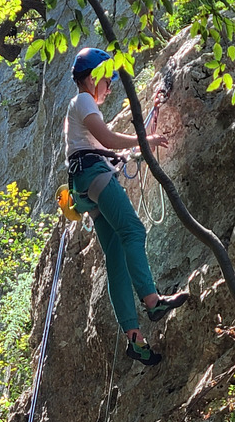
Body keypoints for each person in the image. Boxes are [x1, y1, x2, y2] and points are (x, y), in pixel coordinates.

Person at [65, 46, 188, 366]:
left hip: (86, 182)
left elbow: (99, 147)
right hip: (93, 174)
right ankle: (152, 300)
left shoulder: (80, 107)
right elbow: (105, 139)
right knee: (133, 229)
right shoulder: (83, 100)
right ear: (93, 78)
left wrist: (132, 151)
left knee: (116, 257)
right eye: (107, 80)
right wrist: (144, 141)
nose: (109, 87)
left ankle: (134, 337)